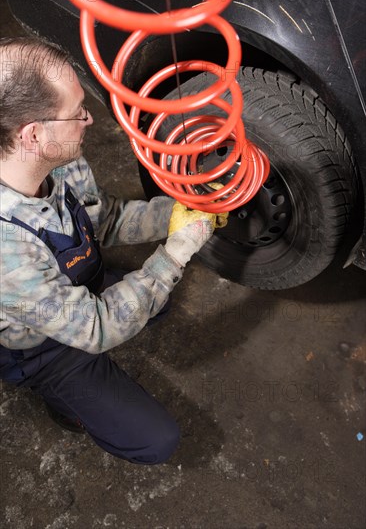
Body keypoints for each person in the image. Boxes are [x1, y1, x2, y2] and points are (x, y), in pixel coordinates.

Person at [0, 37, 227, 464]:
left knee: (153, 302)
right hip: (40, 346)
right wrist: (175, 253)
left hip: (81, 286)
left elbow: (107, 219)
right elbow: (96, 328)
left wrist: (180, 210)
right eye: (76, 113)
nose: (89, 119)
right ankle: (63, 400)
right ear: (32, 134)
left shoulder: (59, 158)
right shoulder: (5, 249)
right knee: (156, 440)